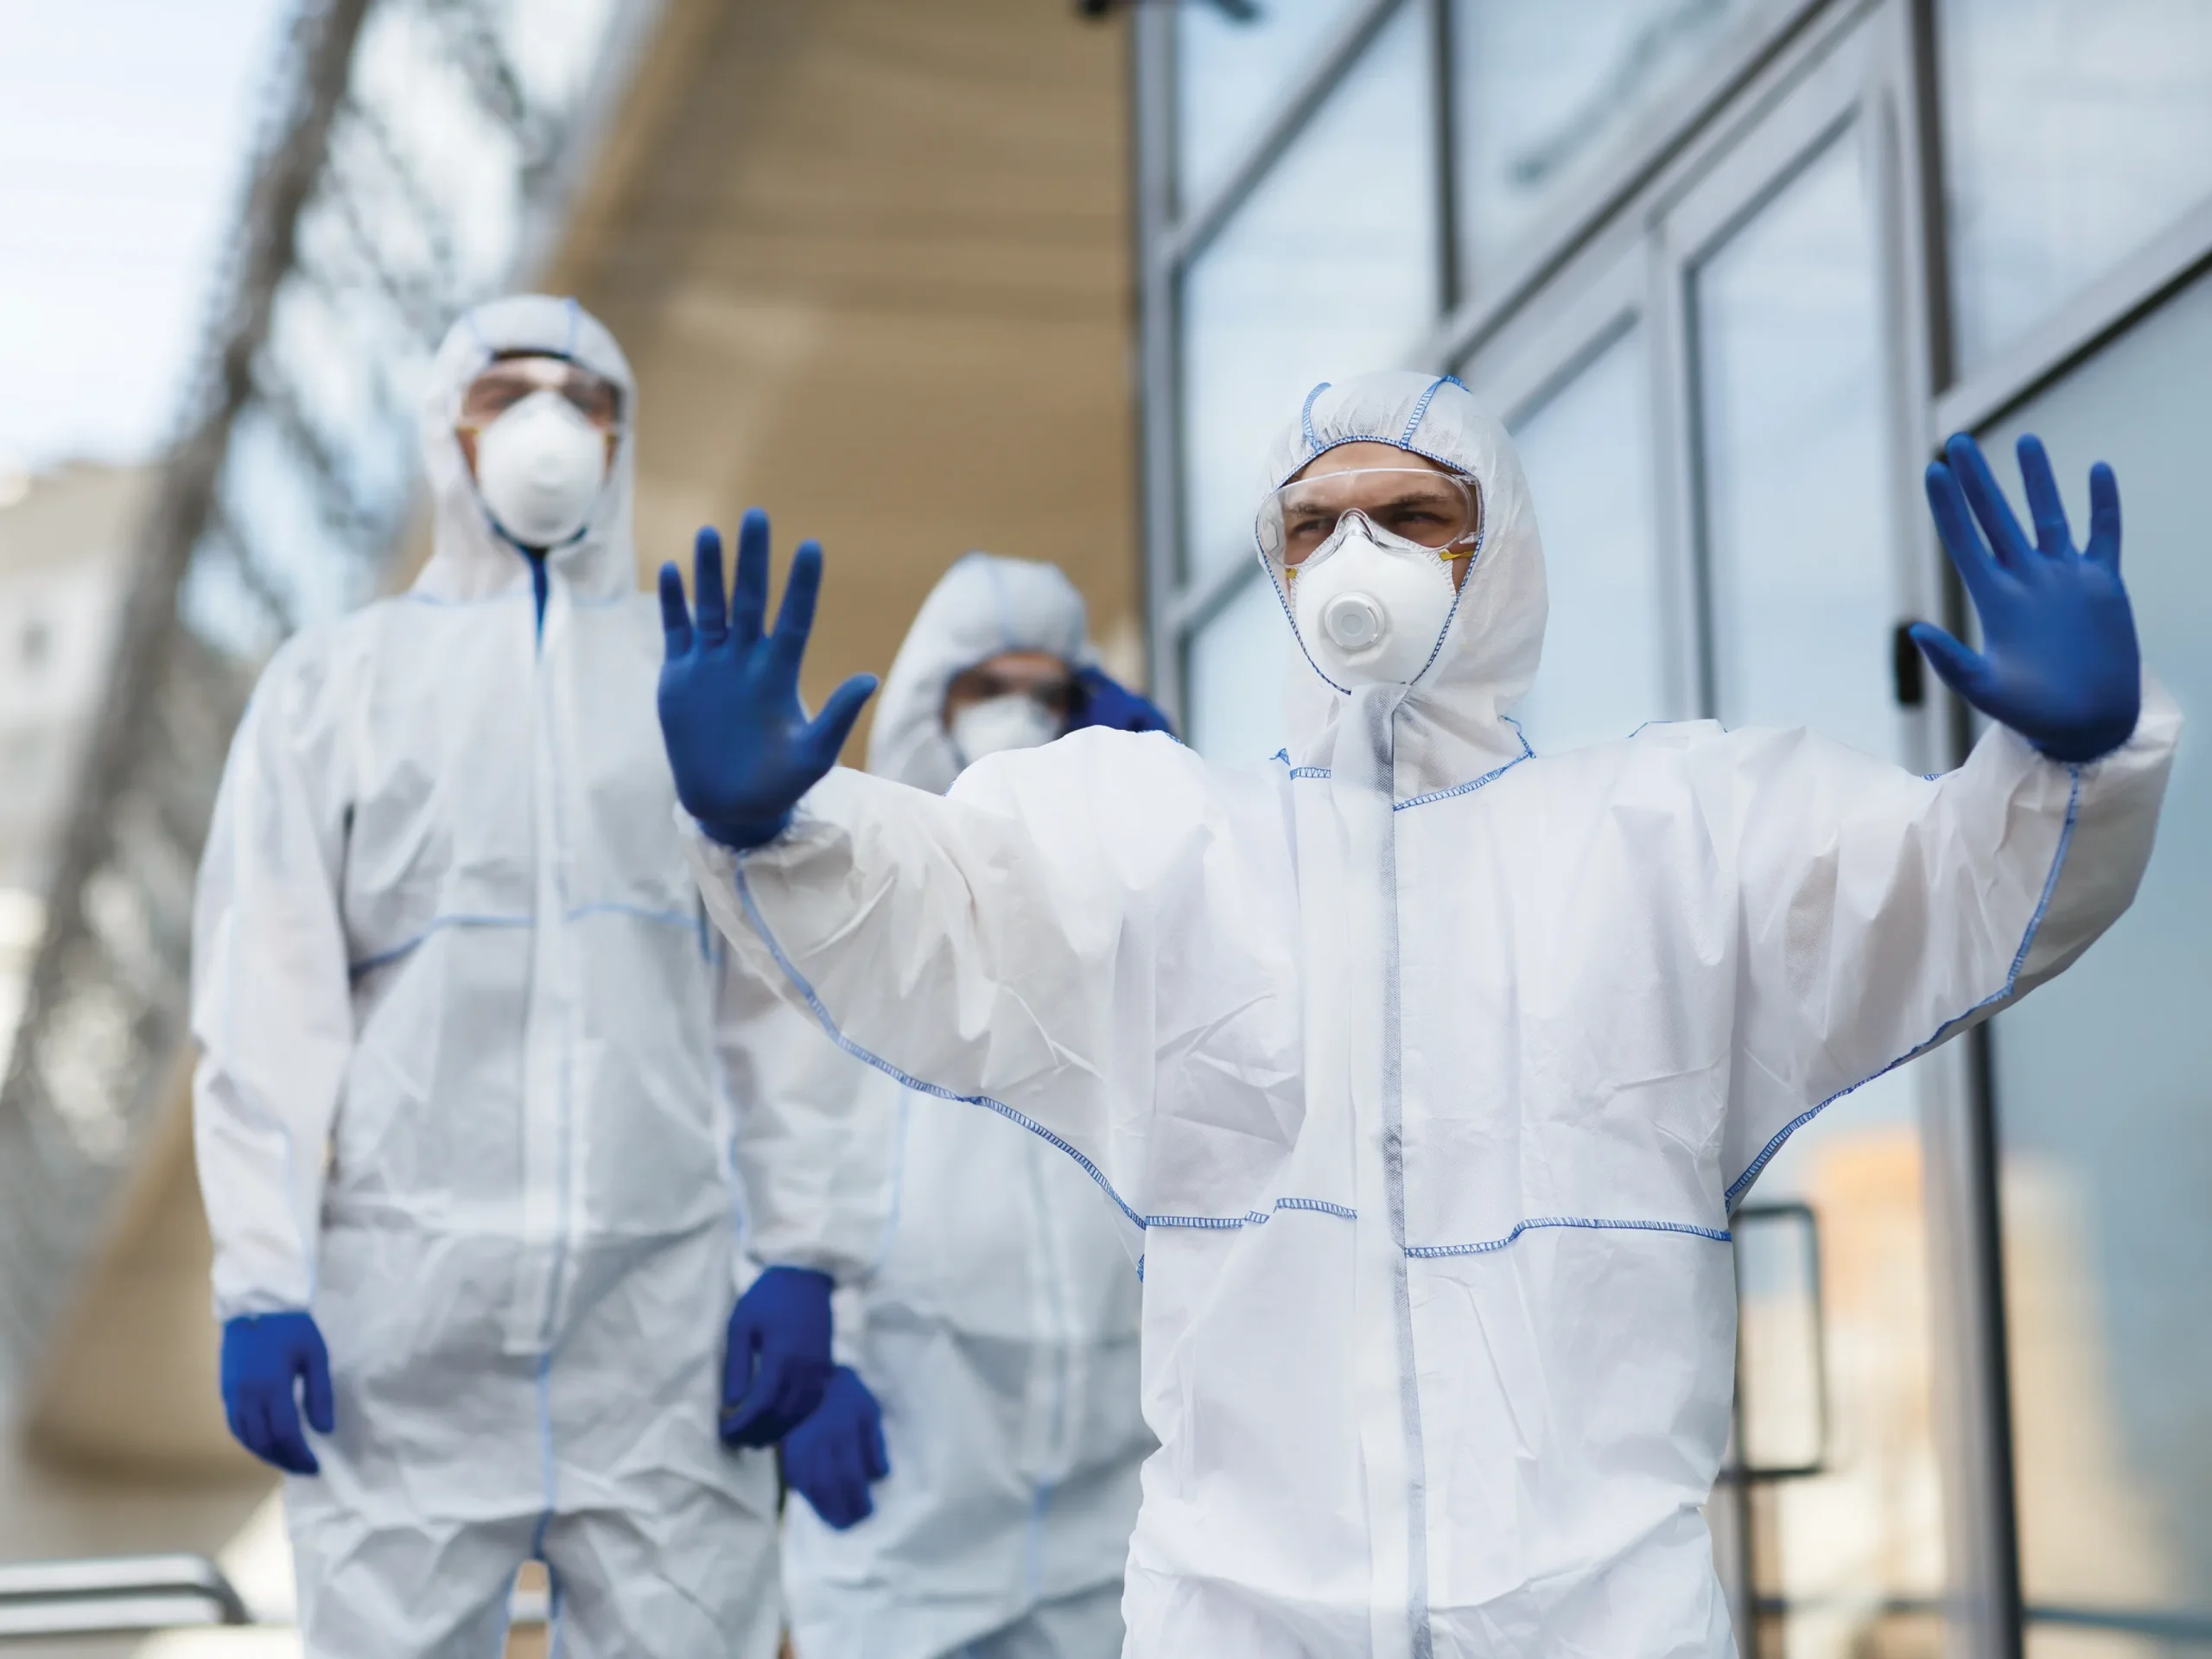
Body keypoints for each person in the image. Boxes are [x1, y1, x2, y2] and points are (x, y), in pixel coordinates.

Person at [654, 372, 2175, 1654]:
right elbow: (944, 893)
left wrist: (2062, 772)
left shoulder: (1668, 834)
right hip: (1242, 1617)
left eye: (1412, 516)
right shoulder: (1176, 847)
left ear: (1489, 552)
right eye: (1314, 524)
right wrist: (773, 836)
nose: (1355, 552)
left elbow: (1927, 891)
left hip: (1599, 1619)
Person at [191, 294, 863, 1658]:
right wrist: (262, 1282)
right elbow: (267, 1004)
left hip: (660, 1335)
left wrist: (800, 1255)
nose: (547, 425)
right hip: (407, 1335)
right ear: (451, 429)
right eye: (507, 393)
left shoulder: (686, 682)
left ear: (620, 438)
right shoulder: (338, 686)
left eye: (584, 397)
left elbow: (781, 1002)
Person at [775, 552, 1167, 1659]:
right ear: (925, 706)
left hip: (1108, 1483)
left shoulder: (1123, 913)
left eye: (1049, 694)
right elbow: (765, 1130)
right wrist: (803, 1354)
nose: (1019, 716)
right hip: (912, 1472)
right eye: (986, 688)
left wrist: (1181, 811)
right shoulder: (854, 899)